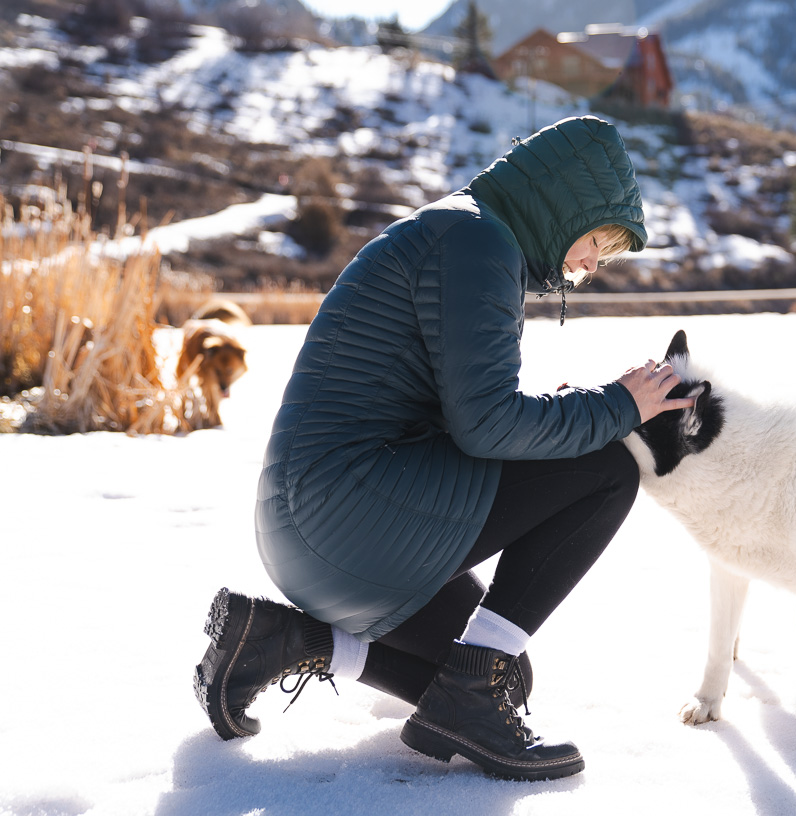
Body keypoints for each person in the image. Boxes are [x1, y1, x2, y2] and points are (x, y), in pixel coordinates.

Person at [192, 116, 693, 781]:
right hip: (350, 514)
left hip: (315, 524)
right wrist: (618, 408)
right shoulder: (479, 242)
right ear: (568, 205)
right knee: (604, 471)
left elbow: (466, 413)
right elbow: (487, 428)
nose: (590, 265)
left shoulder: (462, 231)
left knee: (501, 678)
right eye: (597, 241)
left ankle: (282, 640)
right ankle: (465, 697)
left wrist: (577, 413)